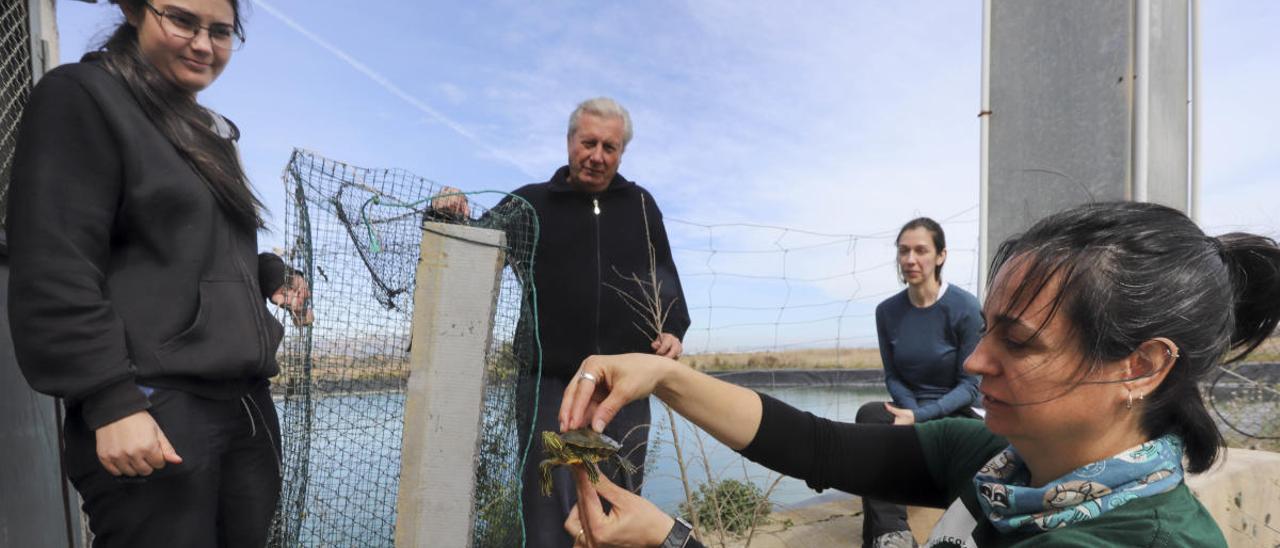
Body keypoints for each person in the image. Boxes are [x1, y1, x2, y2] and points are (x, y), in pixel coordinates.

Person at [558, 202, 1280, 547]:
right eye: (987, 328)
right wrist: (663, 375)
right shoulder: (1008, 466)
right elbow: (820, 446)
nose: (974, 359)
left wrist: (670, 540)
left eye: (1018, 344)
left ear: (1141, 366)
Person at [7, 1, 309, 546]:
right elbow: (55, 261)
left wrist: (269, 274)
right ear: (133, 10)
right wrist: (110, 401)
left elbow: (199, 247)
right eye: (182, 20)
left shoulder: (208, 133)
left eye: (220, 32)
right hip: (156, 408)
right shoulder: (83, 95)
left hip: (245, 407)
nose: (202, 44)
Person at [431, 97, 690, 547]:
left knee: (620, 507)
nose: (597, 155)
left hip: (623, 388)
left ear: (621, 153)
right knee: (548, 505)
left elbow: (662, 273)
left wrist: (674, 329)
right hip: (548, 387)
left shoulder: (641, 205)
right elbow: (472, 246)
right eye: (588, 142)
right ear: (570, 141)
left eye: (610, 147)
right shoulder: (530, 203)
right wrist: (446, 214)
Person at [860, 217, 982, 547]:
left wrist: (919, 418)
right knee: (869, 417)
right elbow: (893, 377)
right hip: (909, 410)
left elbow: (970, 387)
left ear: (940, 256)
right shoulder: (886, 312)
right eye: (903, 251)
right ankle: (893, 535)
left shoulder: (966, 308)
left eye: (920, 250)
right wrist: (910, 412)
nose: (910, 259)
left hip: (958, 411)